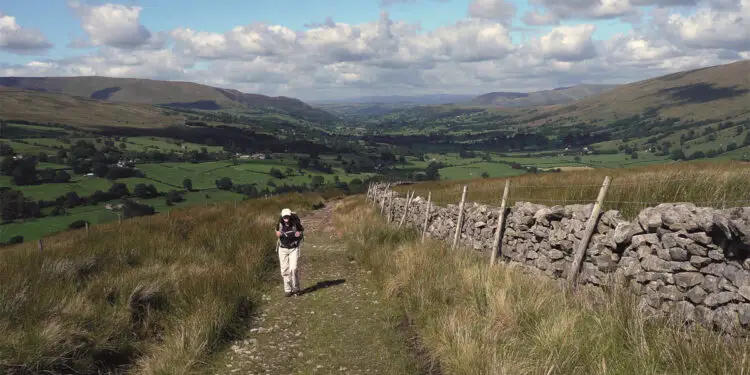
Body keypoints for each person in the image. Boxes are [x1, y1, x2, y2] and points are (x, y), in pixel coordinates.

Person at [275, 208, 304, 297]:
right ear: (282, 217)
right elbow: (276, 231)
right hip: (282, 249)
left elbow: (301, 231)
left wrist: (298, 234)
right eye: (284, 216)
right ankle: (288, 290)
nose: (286, 218)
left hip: (293, 248)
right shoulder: (279, 223)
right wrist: (277, 233)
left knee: (293, 269)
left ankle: (296, 288)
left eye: (287, 216)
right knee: (284, 270)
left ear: (290, 216)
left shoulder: (295, 223)